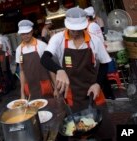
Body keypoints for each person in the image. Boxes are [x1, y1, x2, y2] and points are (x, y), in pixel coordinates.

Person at [40, 7, 115, 140]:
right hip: (72, 96)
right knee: (76, 133)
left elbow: (104, 63)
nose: (75, 32)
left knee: (106, 131)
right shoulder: (59, 39)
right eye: (72, 29)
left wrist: (98, 84)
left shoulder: (94, 40)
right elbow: (45, 58)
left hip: (94, 93)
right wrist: (59, 70)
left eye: (78, 29)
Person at [16, 19, 56, 100]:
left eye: (27, 33)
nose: (25, 36)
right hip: (30, 88)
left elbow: (51, 68)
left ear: (32, 32)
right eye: (22, 34)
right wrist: (22, 93)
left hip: (44, 85)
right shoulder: (19, 50)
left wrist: (56, 88)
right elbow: (21, 71)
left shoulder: (42, 45)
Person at [85, 6, 115, 100]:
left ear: (87, 18)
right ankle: (108, 95)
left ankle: (108, 96)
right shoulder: (94, 25)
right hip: (99, 52)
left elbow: (94, 41)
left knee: (101, 77)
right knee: (102, 76)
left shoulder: (91, 27)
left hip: (97, 54)